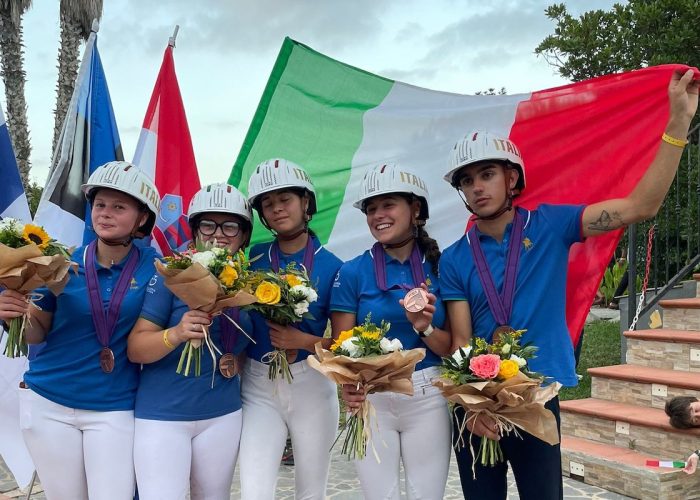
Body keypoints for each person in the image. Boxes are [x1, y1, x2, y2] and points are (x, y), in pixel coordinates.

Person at [438, 69, 699, 500]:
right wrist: (470, 406)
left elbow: (642, 205)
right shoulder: (455, 257)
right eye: (466, 180)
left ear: (512, 179)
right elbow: (462, 343)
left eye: (486, 174)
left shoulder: (552, 224)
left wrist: (677, 123)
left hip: (537, 396)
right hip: (478, 405)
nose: (476, 187)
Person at [0, 161, 160, 500]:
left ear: (142, 218)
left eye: (119, 207)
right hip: (50, 403)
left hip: (114, 406)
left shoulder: (156, 268)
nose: (105, 213)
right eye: (100, 204)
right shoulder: (62, 261)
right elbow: (38, 332)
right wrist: (14, 315)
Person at [333, 163, 453, 500]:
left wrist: (424, 326)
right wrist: (348, 387)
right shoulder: (353, 271)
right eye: (371, 208)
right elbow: (341, 348)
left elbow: (450, 348)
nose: (378, 215)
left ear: (415, 209)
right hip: (372, 397)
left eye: (388, 205)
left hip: (427, 394)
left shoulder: (443, 266)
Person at [127, 183, 254, 499]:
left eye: (230, 226)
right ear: (195, 230)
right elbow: (136, 348)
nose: (218, 234)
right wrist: (177, 333)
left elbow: (244, 345)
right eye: (208, 224)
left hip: (222, 414)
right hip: (163, 416)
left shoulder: (248, 282)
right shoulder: (171, 274)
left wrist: (235, 360)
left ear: (244, 235)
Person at [238, 158, 343, 499]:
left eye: (285, 200)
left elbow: (344, 347)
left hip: (311, 384)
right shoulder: (250, 258)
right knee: (254, 490)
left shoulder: (334, 266)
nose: (277, 209)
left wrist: (304, 340)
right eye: (268, 204)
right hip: (257, 384)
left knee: (311, 491)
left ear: (306, 203)